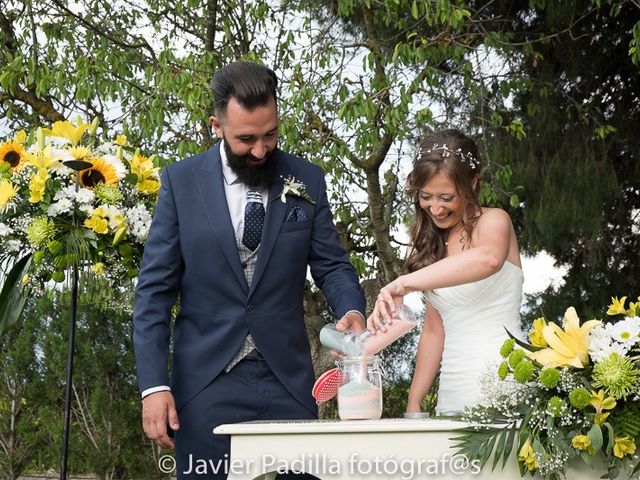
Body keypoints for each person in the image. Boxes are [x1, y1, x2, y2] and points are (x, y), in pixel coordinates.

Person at [133, 61, 366, 478]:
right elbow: (154, 292)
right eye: (246, 139)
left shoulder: (307, 180)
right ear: (217, 126)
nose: (260, 150)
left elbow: (332, 267)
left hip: (288, 378)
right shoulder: (180, 182)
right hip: (205, 381)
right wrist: (154, 386)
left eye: (270, 135)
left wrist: (351, 311)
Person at [369, 129, 523, 416]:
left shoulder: (494, 221)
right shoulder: (433, 248)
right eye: (426, 197)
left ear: (472, 183)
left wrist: (403, 284)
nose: (435, 208)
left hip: (508, 376)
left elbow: (489, 259)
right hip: (453, 388)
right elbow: (433, 330)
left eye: (447, 197)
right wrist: (414, 401)